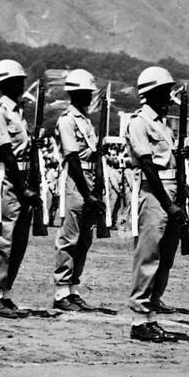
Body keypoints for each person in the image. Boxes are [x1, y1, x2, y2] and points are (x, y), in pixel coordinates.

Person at [125, 66, 186, 343]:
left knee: (165, 257)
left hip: (170, 193)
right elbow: (148, 166)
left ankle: (151, 315)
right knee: (148, 255)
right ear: (150, 93)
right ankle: (140, 320)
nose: (168, 97)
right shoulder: (140, 122)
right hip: (154, 194)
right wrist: (168, 204)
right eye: (164, 92)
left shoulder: (162, 123)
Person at [0, 59, 35, 319]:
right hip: (8, 181)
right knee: (2, 237)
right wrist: (23, 188)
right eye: (17, 81)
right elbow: (6, 152)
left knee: (18, 241)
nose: (21, 84)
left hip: (21, 180)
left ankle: (5, 292)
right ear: (5, 84)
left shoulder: (19, 112)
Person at [52, 68, 104, 312]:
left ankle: (72, 288)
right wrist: (88, 193)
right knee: (70, 237)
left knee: (84, 239)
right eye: (84, 93)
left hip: (90, 177)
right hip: (77, 179)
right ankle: (61, 290)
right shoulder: (67, 120)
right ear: (74, 93)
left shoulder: (85, 120)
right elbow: (72, 158)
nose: (88, 97)